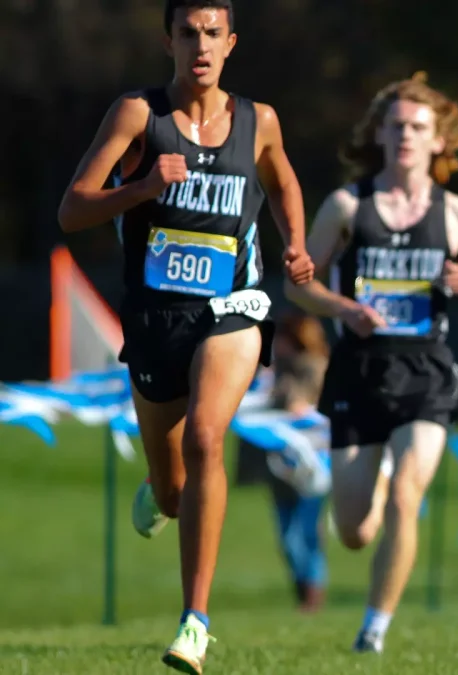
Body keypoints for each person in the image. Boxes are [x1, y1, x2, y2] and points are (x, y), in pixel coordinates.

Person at [56, 1, 314, 671]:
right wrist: (140, 187)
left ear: (231, 43)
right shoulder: (139, 116)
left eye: (212, 34)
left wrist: (296, 246)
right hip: (154, 320)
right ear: (168, 40)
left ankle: (194, 620)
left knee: (207, 437)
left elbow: (282, 178)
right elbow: (73, 207)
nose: (200, 45)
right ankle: (161, 489)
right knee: (173, 488)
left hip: (234, 306)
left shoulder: (259, 121)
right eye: (187, 33)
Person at [284, 72, 458, 654]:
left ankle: (373, 629)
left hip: (427, 374)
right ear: (380, 133)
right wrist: (343, 308)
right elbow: (299, 286)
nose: (407, 136)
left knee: (410, 495)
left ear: (439, 141)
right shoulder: (346, 206)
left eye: (419, 127)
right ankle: (375, 485)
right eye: (397, 125)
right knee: (356, 532)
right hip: (358, 370)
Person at [263, 311, 331, 613]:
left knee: (307, 532)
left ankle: (311, 596)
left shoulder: (316, 368)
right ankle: (302, 589)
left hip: (313, 462)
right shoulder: (275, 372)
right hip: (282, 463)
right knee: (287, 535)